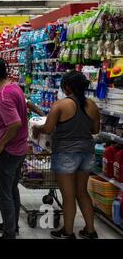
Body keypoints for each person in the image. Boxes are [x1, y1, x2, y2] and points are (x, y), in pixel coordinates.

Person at [32, 71, 100, 239]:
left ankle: (68, 232)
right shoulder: (92, 105)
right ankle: (90, 231)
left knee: (68, 195)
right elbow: (95, 130)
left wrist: (36, 128)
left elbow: (47, 128)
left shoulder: (61, 105)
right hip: (87, 152)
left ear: (67, 87)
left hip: (65, 153)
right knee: (82, 192)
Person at [0, 56, 28, 239]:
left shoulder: (3, 95)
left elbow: (15, 123)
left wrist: (1, 144)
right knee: (12, 189)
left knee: (3, 194)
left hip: (9, 151)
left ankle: (9, 234)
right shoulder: (14, 87)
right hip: (20, 148)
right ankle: (12, 226)